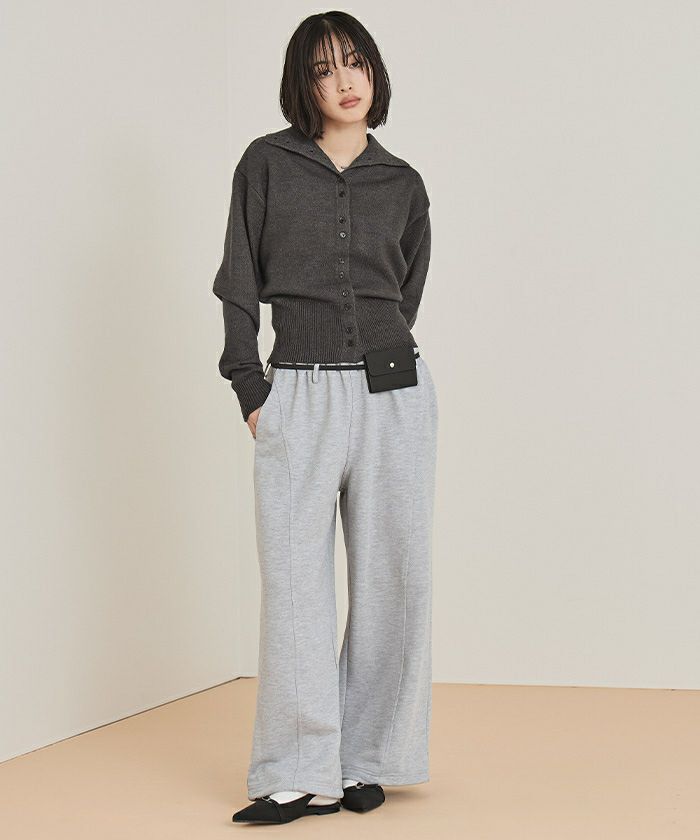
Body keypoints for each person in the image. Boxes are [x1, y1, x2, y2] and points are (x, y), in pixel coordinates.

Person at [212, 10, 438, 825]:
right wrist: (251, 388)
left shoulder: (402, 182)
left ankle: (368, 757)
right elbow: (239, 278)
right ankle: (296, 770)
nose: (344, 81)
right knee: (295, 587)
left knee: (393, 582)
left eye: (355, 63)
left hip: (394, 393)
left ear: (374, 72)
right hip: (299, 390)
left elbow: (404, 291)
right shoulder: (266, 164)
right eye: (323, 69)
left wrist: (383, 368)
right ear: (301, 85)